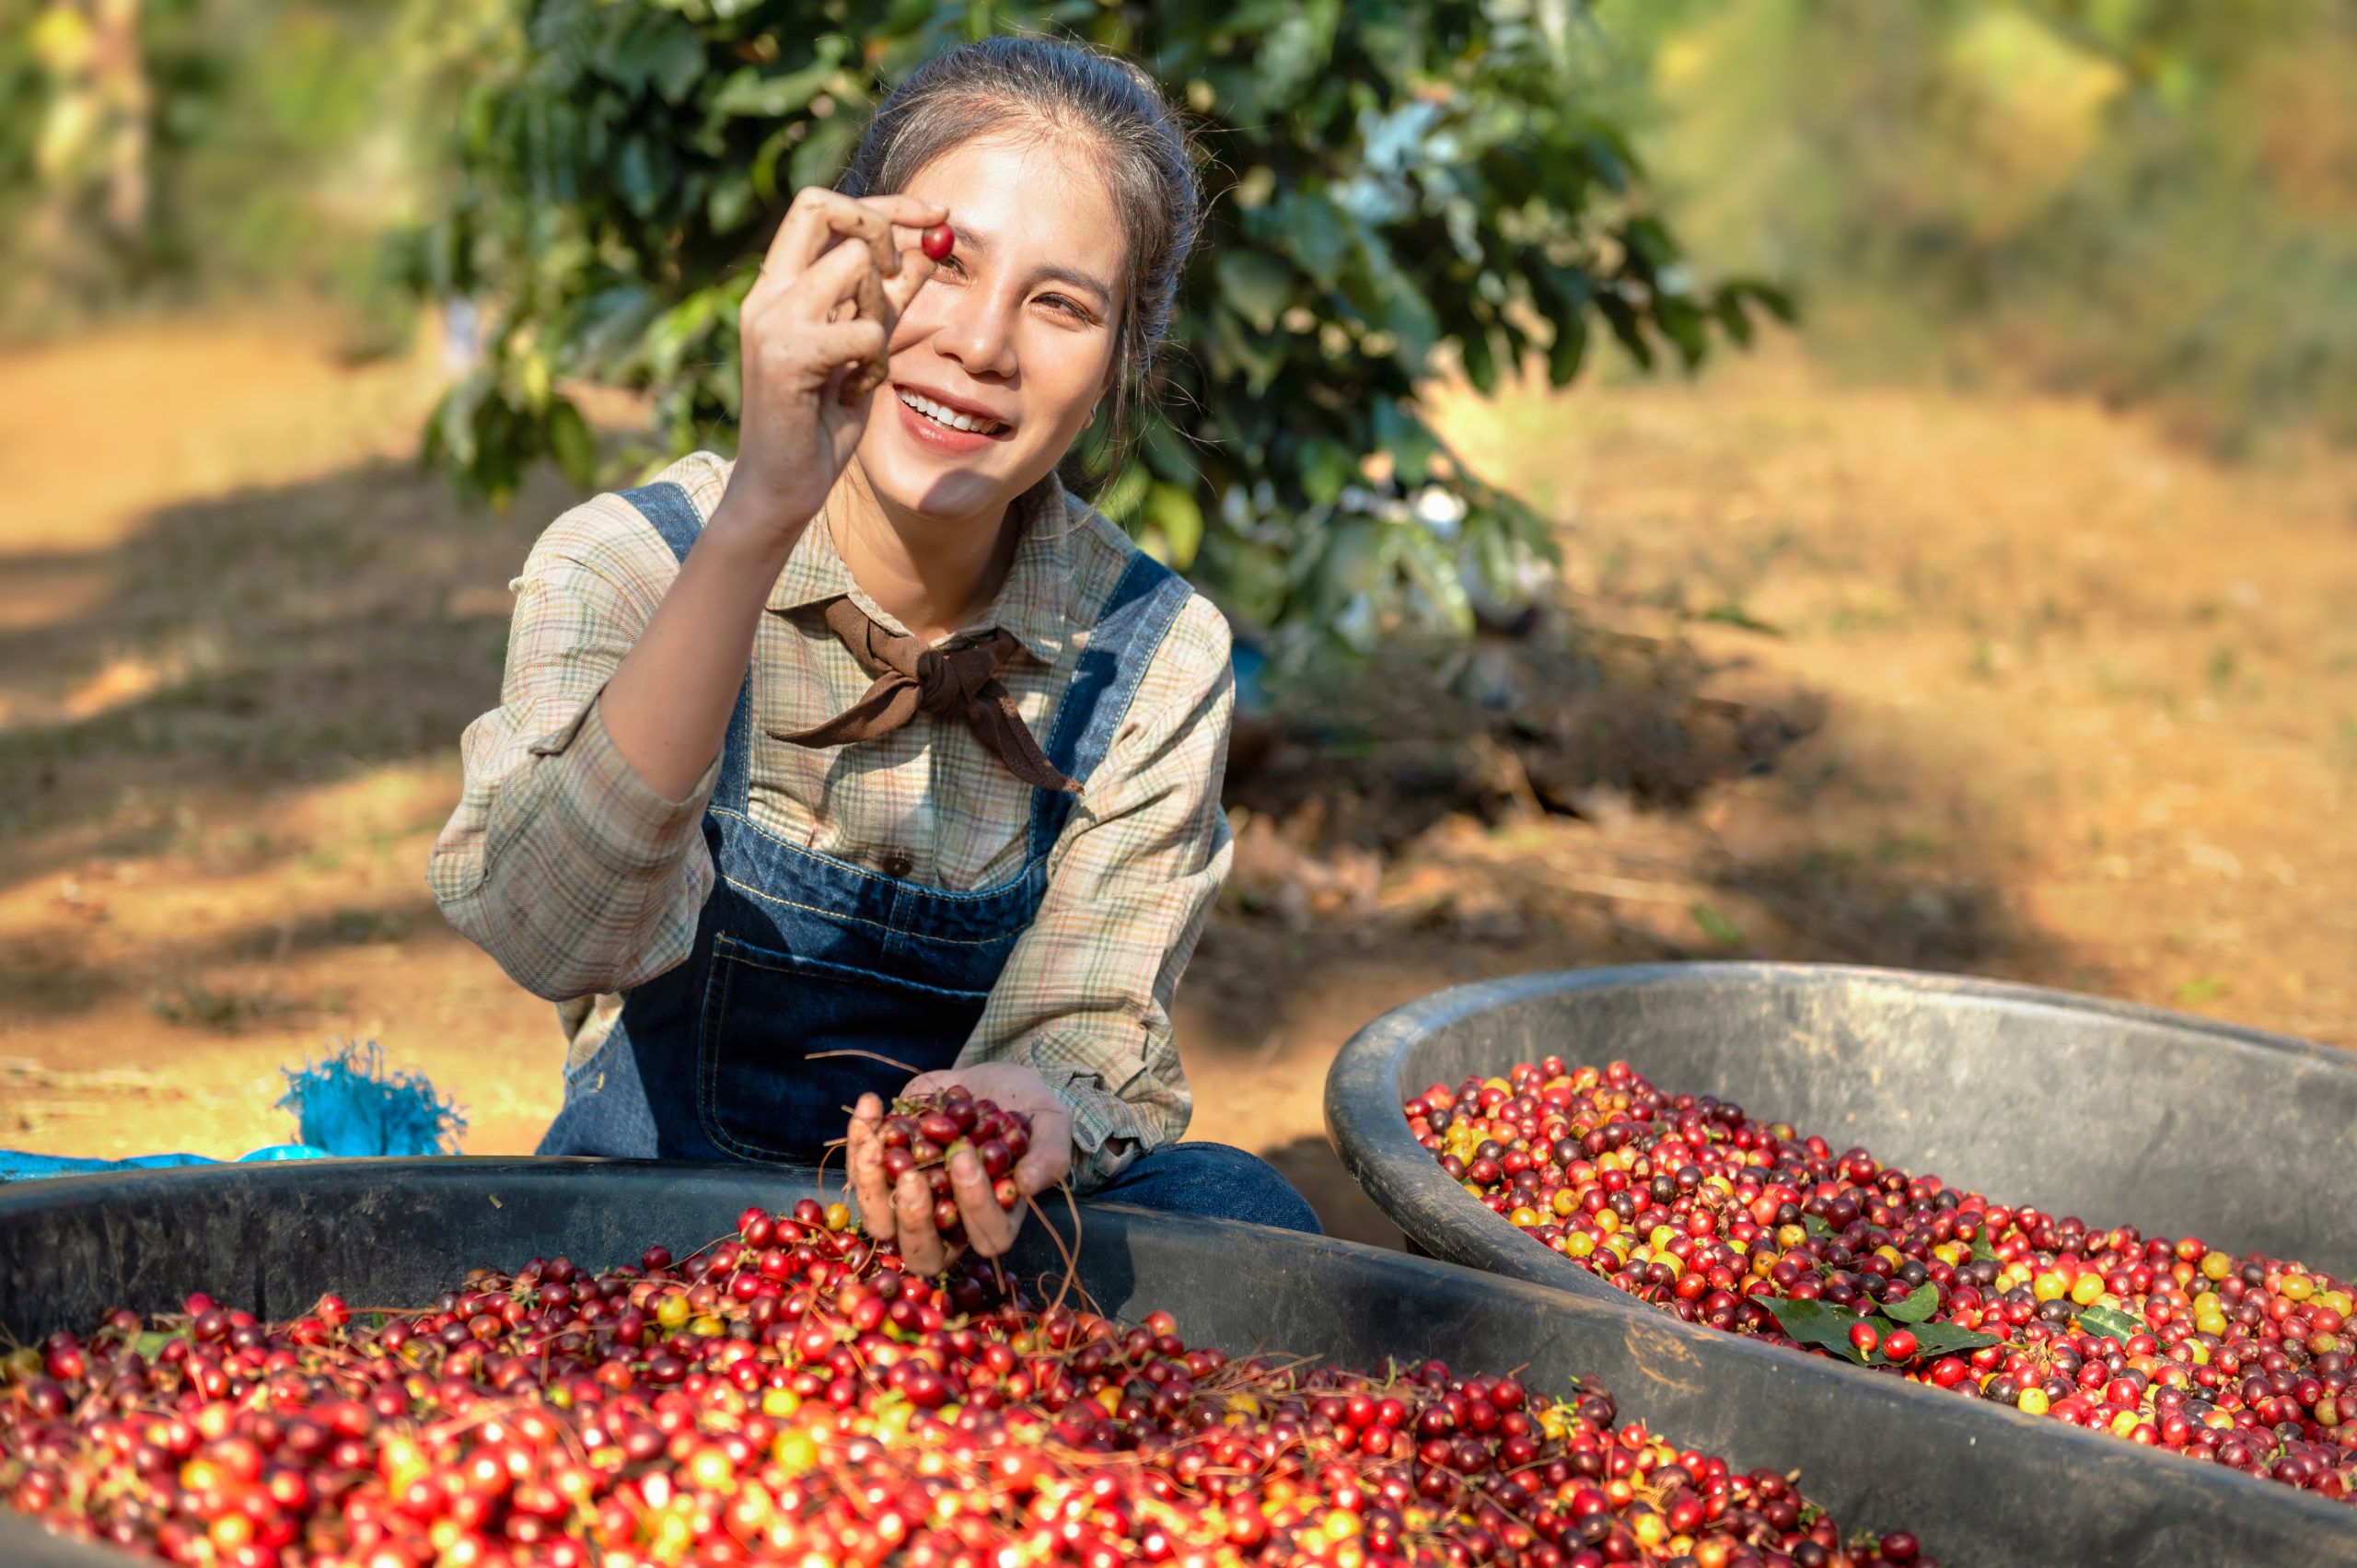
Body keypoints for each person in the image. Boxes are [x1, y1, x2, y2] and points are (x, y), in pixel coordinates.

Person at [427, 35, 1320, 1272]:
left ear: (1122, 364)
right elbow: (553, 935)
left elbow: (1086, 1022)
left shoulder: (1153, 656)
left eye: (1062, 305)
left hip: (968, 1251)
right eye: (943, 266)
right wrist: (756, 520)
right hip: (664, 1235)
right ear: (837, 276)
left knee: (1241, 1215)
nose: (982, 344)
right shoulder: (635, 561)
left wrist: (1014, 1109)